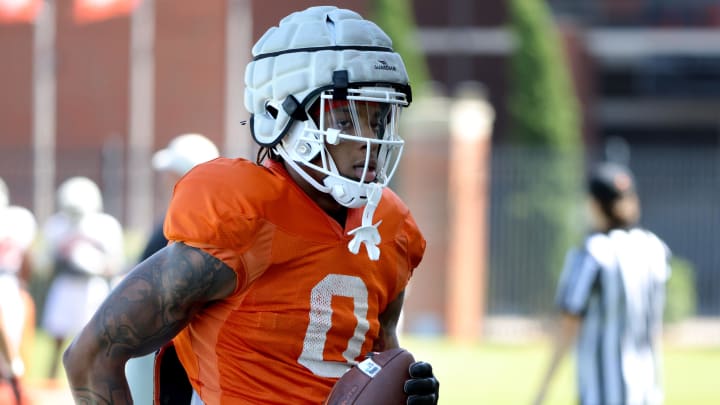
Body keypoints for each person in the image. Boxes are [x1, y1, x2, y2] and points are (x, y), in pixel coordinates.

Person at [63, 5, 439, 405]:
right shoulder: (243, 215)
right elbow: (90, 356)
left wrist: (399, 392)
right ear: (282, 115)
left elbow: (374, 364)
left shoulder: (390, 227)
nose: (369, 140)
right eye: (345, 119)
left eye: (378, 119)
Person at [532, 162, 671, 405]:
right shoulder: (655, 248)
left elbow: (568, 325)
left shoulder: (593, 253)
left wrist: (543, 390)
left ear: (594, 204)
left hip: (602, 393)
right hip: (648, 391)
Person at [125, 133, 219, 404]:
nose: (167, 181)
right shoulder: (205, 221)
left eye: (172, 174)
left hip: (176, 345)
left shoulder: (183, 226)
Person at [41, 176, 125, 380]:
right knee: (57, 338)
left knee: (94, 339)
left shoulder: (105, 225)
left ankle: (93, 380)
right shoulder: (56, 225)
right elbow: (44, 264)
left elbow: (116, 264)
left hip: (92, 286)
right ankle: (50, 382)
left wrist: (95, 265)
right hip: (66, 284)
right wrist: (65, 257)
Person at [0, 177, 38, 404]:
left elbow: (26, 259)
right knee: (12, 362)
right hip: (10, 288)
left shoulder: (16, 221)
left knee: (14, 359)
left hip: (8, 286)